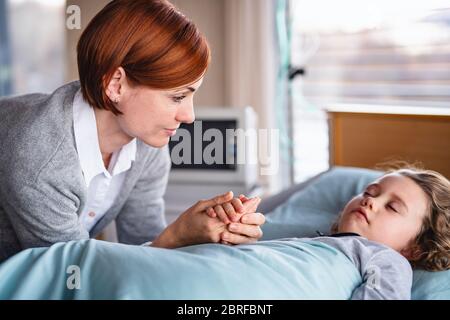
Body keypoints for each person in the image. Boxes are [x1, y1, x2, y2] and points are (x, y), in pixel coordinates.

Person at [0, 0, 265, 262]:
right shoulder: (39, 161)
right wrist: (177, 236)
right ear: (116, 85)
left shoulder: (146, 147)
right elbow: (73, 277)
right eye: (176, 97)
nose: (189, 116)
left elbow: (141, 245)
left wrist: (211, 233)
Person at [311, 167, 450, 299]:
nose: (370, 200)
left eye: (392, 207)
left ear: (414, 249)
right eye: (369, 192)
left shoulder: (387, 261)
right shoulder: (316, 243)